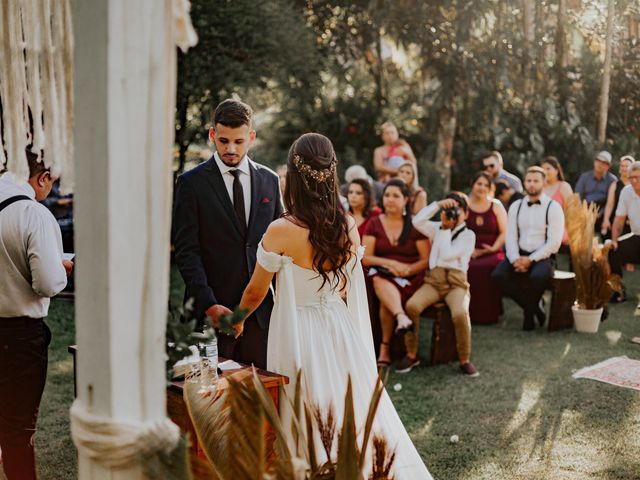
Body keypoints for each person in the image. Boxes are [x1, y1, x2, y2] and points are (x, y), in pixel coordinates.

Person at [234, 133, 432, 479]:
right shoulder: (347, 226)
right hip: (339, 328)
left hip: (298, 330)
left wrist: (236, 322)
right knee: (347, 403)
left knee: (308, 407)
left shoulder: (281, 229)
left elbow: (255, 292)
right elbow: (345, 286)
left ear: (294, 178)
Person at [172, 99, 282, 369]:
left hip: (260, 316)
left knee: (259, 396)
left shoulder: (270, 180)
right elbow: (187, 251)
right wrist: (210, 306)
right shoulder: (190, 183)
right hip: (210, 313)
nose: (230, 149)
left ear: (251, 138)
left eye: (238, 141)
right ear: (212, 135)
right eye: (223, 141)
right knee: (210, 402)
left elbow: (279, 247)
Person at [0, 150, 72, 480]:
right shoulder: (32, 214)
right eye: (51, 183)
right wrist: (64, 267)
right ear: (42, 178)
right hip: (19, 339)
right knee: (17, 431)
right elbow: (47, 283)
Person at [405, 193, 478, 376]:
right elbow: (417, 221)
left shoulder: (469, 235)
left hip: (456, 284)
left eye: (457, 210)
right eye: (450, 209)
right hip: (434, 282)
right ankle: (412, 354)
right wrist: (437, 205)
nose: (453, 213)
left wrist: (445, 228)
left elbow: (447, 254)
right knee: (412, 306)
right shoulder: (437, 227)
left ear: (466, 214)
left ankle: (464, 359)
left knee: (460, 313)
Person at [361, 179, 430, 371]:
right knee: (379, 280)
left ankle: (385, 348)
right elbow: (366, 257)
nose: (390, 200)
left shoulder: (415, 225)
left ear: (406, 199)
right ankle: (400, 318)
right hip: (384, 274)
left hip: (411, 277)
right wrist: (390, 263)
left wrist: (408, 270)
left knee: (384, 295)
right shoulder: (375, 223)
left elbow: (426, 259)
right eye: (387, 195)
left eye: (396, 196)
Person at [491, 166, 564, 330]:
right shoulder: (516, 206)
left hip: (544, 256)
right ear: (524, 182)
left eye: (536, 181)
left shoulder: (553, 207)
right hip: (518, 253)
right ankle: (533, 307)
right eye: (529, 180)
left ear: (544, 183)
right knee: (498, 276)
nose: (531, 184)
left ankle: (529, 315)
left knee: (537, 277)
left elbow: (554, 243)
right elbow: (511, 236)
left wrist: (530, 260)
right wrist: (516, 258)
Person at [466, 172, 507, 325]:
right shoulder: (465, 204)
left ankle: (490, 314)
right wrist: (469, 251)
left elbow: (504, 232)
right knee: (470, 268)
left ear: (490, 188)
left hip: (492, 250)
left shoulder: (496, 205)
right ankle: (468, 313)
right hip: (468, 250)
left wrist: (492, 249)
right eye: (479, 184)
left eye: (485, 185)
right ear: (473, 185)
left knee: (488, 267)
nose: (482, 187)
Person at [608, 162, 640, 308]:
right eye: (631, 177)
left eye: (638, 177)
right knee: (613, 251)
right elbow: (619, 219)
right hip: (636, 236)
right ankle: (619, 291)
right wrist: (614, 240)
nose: (634, 181)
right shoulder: (626, 192)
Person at [575, 150, 617, 231]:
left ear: (608, 166)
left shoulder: (612, 180)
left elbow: (611, 201)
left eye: (603, 162)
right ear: (594, 162)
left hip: (603, 212)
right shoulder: (584, 177)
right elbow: (578, 196)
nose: (599, 164)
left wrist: (600, 212)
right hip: (584, 210)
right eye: (598, 161)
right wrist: (584, 211)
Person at [601, 155, 635, 239]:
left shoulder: (636, 185)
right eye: (622, 166)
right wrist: (606, 220)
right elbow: (609, 205)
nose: (624, 168)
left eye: (626, 166)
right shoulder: (614, 185)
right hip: (616, 220)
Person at [541, 156, 572, 244]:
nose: (545, 172)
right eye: (543, 169)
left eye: (548, 169)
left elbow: (571, 212)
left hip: (561, 230)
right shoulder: (540, 188)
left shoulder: (564, 186)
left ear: (557, 170)